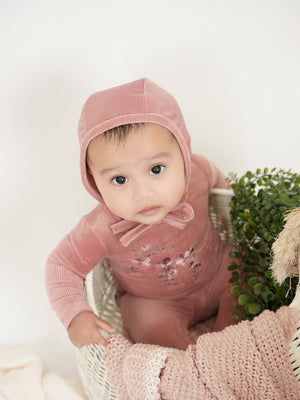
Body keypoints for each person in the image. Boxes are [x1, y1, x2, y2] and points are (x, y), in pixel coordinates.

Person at [46, 78, 236, 350]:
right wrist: (76, 315)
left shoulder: (200, 172)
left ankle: (229, 345)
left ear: (183, 154)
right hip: (156, 302)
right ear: (93, 180)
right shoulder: (100, 227)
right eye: (120, 180)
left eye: (156, 170)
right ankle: (188, 368)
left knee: (244, 273)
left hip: (217, 273)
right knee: (152, 328)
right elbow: (60, 265)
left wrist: (240, 210)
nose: (143, 193)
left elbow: (222, 186)